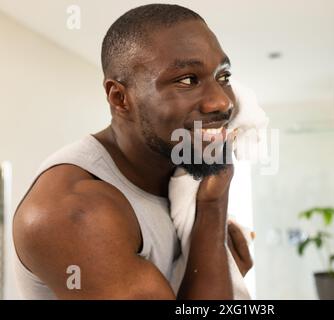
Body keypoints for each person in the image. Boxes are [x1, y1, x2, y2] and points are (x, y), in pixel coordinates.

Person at [13, 3, 253, 300]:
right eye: (187, 79)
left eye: (223, 76)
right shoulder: (77, 212)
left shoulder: (178, 172)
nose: (222, 102)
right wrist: (213, 216)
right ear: (120, 97)